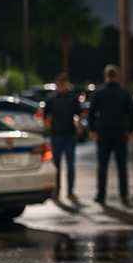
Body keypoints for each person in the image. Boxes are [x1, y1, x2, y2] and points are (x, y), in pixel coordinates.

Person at [88, 64, 133, 205]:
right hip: (120, 133)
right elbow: (132, 113)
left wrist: (92, 129)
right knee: (121, 165)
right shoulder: (124, 93)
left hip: (103, 133)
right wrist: (130, 130)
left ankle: (101, 194)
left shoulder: (99, 93)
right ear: (117, 76)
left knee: (102, 166)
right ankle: (123, 195)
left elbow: (91, 112)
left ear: (106, 76)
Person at [44, 73, 83, 201]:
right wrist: (48, 128)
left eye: (64, 84)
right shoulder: (51, 99)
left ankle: (70, 191)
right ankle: (56, 190)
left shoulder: (72, 99)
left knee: (70, 164)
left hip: (69, 135)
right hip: (56, 135)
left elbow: (78, 115)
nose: (62, 86)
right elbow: (46, 115)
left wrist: (79, 126)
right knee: (56, 165)